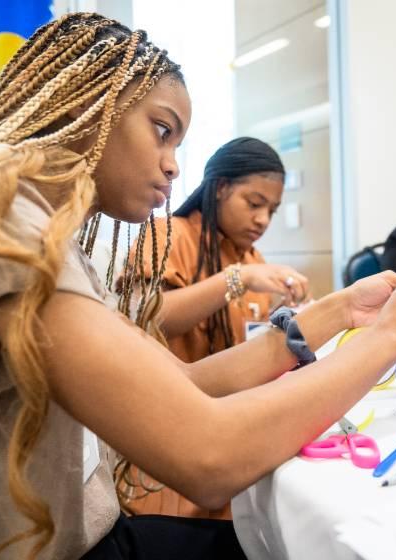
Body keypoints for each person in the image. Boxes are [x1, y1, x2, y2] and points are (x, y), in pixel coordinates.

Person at [0, 13, 396, 560]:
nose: (171, 166)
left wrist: (341, 310)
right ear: (89, 103)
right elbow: (209, 456)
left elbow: (187, 381)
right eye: (162, 131)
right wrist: (390, 335)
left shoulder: (53, 235)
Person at [118, 137, 310, 520]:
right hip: (164, 448)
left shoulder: (252, 257)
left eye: (271, 210)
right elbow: (143, 320)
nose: (263, 220)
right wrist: (235, 279)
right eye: (254, 204)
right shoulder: (166, 234)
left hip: (230, 437)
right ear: (220, 187)